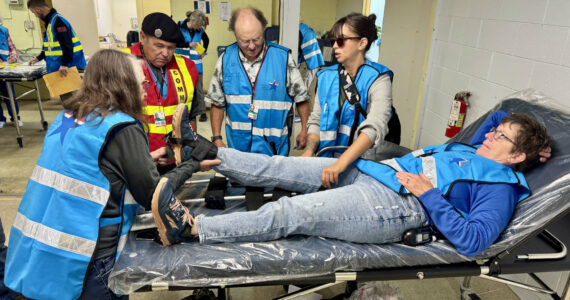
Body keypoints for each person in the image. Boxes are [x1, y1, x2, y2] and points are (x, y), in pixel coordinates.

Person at [151, 112, 551, 258]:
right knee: (282, 166)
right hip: (374, 173)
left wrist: (427, 193)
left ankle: (192, 229)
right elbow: (497, 117)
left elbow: (475, 240)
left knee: (292, 211)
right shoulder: (476, 150)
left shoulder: (500, 185)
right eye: (494, 130)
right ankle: (199, 147)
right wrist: (532, 143)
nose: (490, 133)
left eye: (501, 137)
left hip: (396, 205)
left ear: (516, 157)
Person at [4, 49, 201, 300]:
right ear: (123, 85)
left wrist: (141, 160)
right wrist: (191, 165)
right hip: (89, 257)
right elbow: (153, 194)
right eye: (141, 84)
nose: (145, 92)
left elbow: (84, 167)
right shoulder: (122, 127)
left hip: (40, 248)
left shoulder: (69, 116)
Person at [302, 13, 401, 183]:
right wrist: (309, 151)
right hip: (327, 162)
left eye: (341, 41)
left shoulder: (378, 78)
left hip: (362, 165)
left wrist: (341, 163)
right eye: (333, 40)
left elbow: (374, 127)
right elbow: (316, 121)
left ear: (362, 43)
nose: (334, 46)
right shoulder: (325, 76)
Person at [206, 7, 310, 156]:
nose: (252, 46)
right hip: (238, 149)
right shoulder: (225, 59)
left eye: (257, 39)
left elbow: (302, 98)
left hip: (274, 150)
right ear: (236, 36)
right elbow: (217, 102)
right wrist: (217, 138)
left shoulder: (283, 58)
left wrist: (304, 130)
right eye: (245, 41)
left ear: (263, 32)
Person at [124, 12, 201, 174]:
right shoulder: (120, 64)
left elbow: (191, 117)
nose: (165, 54)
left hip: (174, 161)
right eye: (159, 46)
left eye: (171, 48)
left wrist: (182, 150)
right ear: (142, 36)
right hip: (134, 161)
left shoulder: (187, 67)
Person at [27, 0, 86, 76]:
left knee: (72, 88)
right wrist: (39, 58)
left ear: (38, 10)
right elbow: (49, 46)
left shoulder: (58, 22)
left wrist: (64, 64)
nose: (35, 15)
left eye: (34, 12)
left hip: (69, 67)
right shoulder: (50, 22)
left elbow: (67, 44)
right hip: (59, 66)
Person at [176, 10, 210, 123]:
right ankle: (186, 113)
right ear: (193, 21)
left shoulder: (199, 30)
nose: (200, 27)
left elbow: (207, 40)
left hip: (196, 64)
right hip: (182, 64)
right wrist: (188, 44)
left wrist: (204, 51)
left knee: (198, 90)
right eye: (199, 25)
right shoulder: (179, 26)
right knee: (185, 90)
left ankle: (202, 113)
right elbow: (174, 42)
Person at [0, 24, 22, 128]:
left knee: (10, 95)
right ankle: (0, 119)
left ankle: (15, 117)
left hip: (5, 70)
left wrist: (13, 57)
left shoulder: (4, 31)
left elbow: (12, 48)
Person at [298, 22, 325, 87]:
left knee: (303, 89)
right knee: (309, 88)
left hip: (308, 63)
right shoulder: (306, 28)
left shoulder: (300, 31)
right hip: (314, 62)